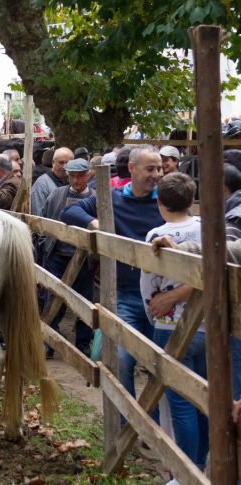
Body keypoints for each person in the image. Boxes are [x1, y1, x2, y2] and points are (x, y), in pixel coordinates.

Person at [62, 145, 164, 401]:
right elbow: (70, 211)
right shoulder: (112, 198)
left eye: (160, 168)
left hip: (162, 297)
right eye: (151, 168)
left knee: (162, 368)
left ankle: (154, 427)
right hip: (125, 294)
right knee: (120, 361)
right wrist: (97, 224)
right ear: (132, 169)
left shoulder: (166, 200)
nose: (157, 174)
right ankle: (125, 427)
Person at [140, 172, 206, 468]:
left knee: (180, 404)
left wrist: (152, 312)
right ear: (192, 200)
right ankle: (204, 463)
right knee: (205, 398)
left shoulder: (156, 236)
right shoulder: (208, 230)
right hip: (208, 325)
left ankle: (185, 468)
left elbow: (148, 285)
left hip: (170, 326)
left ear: (159, 202)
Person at [40, 159, 96, 357]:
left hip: (84, 261)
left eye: (80, 175)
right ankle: (50, 340)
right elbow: (45, 217)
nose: (75, 179)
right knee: (53, 297)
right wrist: (45, 242)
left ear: (88, 175)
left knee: (84, 300)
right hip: (57, 255)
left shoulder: (95, 198)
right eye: (72, 175)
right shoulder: (57, 194)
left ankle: (83, 343)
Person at [31, 147, 72, 215]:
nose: (64, 166)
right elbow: (38, 215)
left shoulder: (72, 182)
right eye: (61, 162)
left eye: (68, 163)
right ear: (53, 163)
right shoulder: (42, 184)